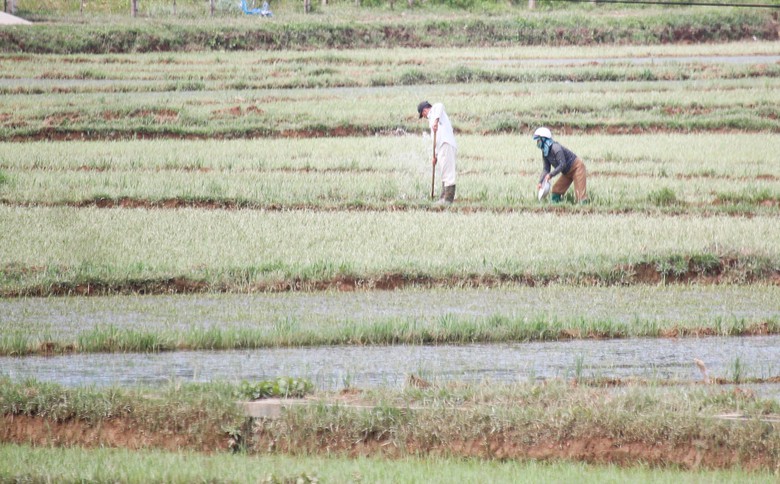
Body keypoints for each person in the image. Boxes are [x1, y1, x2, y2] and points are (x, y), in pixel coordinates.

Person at [533, 127, 588, 204]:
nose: (537, 142)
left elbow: (562, 164)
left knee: (580, 195)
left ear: (544, 139)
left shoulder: (556, 148)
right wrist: (540, 182)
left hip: (577, 168)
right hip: (567, 172)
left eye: (538, 140)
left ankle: (584, 210)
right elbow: (546, 169)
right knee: (556, 190)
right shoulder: (545, 152)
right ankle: (556, 208)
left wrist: (551, 175)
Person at [417, 100, 457, 204]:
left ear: (425, 110)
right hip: (441, 147)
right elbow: (435, 140)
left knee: (448, 173)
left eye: (423, 114)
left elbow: (440, 105)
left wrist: (435, 121)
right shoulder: (432, 119)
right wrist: (434, 155)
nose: (424, 117)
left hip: (446, 144)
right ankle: (443, 197)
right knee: (444, 172)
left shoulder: (435, 110)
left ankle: (448, 199)